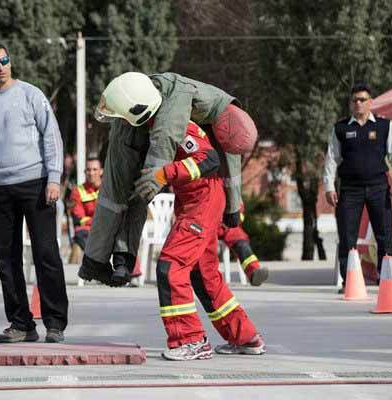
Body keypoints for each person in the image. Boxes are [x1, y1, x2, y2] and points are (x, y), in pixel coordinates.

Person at [79, 72, 258, 286]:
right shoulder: (181, 103)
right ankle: (104, 262)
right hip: (135, 123)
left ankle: (118, 262)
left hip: (136, 122)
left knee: (127, 194)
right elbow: (167, 138)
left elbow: (167, 140)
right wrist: (232, 207)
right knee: (122, 192)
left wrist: (232, 206)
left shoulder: (204, 113)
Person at [0, 42, 68, 343]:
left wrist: (54, 178)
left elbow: (52, 137)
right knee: (6, 260)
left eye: (4, 60)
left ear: (11, 61)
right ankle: (21, 323)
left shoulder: (31, 94)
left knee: (46, 253)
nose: (0, 67)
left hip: (35, 184)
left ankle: (55, 323)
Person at [148, 120, 264, 360]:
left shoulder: (179, 126)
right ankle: (244, 337)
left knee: (171, 267)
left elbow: (208, 159)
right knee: (204, 277)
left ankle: (190, 340)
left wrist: (164, 174)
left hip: (201, 204)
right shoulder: (168, 123)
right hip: (199, 202)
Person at [323, 83, 392, 294]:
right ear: (351, 104)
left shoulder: (383, 126)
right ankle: (348, 281)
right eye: (355, 100)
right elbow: (331, 159)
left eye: (362, 99)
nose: (358, 103)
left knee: (384, 235)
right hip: (350, 189)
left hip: (379, 187)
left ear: (370, 102)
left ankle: (387, 280)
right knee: (347, 236)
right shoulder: (341, 128)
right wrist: (329, 186)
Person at [217, 206, 269, 286]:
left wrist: (231, 219)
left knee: (239, 238)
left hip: (226, 225)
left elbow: (238, 210)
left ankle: (253, 272)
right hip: (204, 224)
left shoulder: (232, 194)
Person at [67, 156, 102, 263]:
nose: (91, 173)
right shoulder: (77, 191)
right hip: (86, 231)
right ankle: (97, 264)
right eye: (88, 170)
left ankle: (127, 271)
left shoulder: (108, 189)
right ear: (85, 172)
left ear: (101, 171)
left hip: (106, 228)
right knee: (81, 234)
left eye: (95, 169)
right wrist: (98, 221)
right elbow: (79, 218)